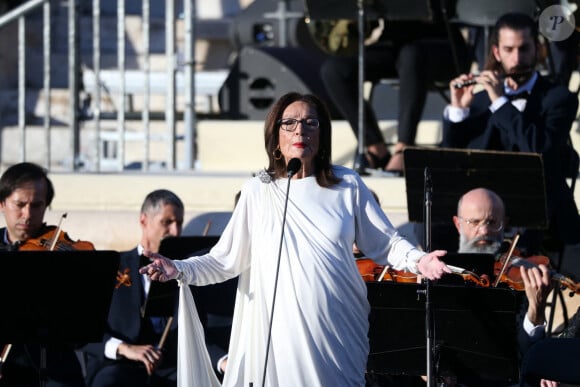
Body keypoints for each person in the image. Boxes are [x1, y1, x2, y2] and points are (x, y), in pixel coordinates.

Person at [140, 92, 450, 386]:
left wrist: (419, 260)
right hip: (277, 338)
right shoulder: (257, 192)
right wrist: (178, 268)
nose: (300, 129)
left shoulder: (347, 185)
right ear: (275, 137)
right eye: (289, 123)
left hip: (337, 331)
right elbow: (224, 260)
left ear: (322, 134)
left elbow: (386, 243)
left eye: (310, 122)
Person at [441, 12, 580, 253]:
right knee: (434, 224)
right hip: (483, 208)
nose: (517, 58)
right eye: (509, 49)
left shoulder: (559, 98)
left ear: (538, 49)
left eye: (524, 49)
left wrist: (500, 103)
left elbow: (541, 151)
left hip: (537, 210)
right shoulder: (480, 101)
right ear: (496, 52)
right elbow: (449, 160)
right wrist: (458, 111)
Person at [320, 0, 474, 173]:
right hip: (396, 46)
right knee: (334, 70)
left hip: (444, 45)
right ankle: (375, 147)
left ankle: (404, 148)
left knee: (411, 55)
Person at [453, 187, 555, 386]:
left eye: (492, 222)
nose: (484, 231)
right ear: (458, 224)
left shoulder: (520, 275)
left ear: (505, 224)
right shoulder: (440, 271)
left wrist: (536, 310)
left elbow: (525, 352)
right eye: (474, 222)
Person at [82, 189, 185, 387]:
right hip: (120, 365)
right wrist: (124, 348)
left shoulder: (183, 271)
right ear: (144, 221)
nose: (176, 232)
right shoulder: (112, 267)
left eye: (179, 223)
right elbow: (84, 330)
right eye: (167, 222)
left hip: (171, 366)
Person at [0, 162, 88, 387]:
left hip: (54, 364)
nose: (27, 215)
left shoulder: (61, 249)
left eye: (37, 205)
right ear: (2, 203)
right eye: (19, 204)